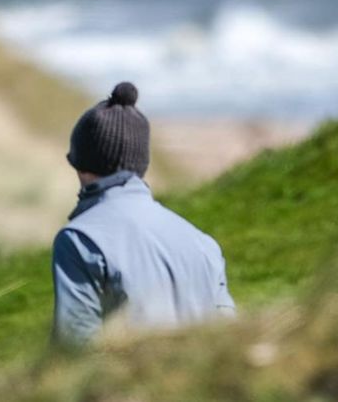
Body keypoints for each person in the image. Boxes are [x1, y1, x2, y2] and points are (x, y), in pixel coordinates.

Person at [52, 82, 236, 346]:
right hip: (203, 385)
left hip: (122, 388)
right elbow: (228, 337)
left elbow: (73, 350)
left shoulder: (79, 240)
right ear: (141, 165)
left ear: (81, 166)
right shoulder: (203, 243)